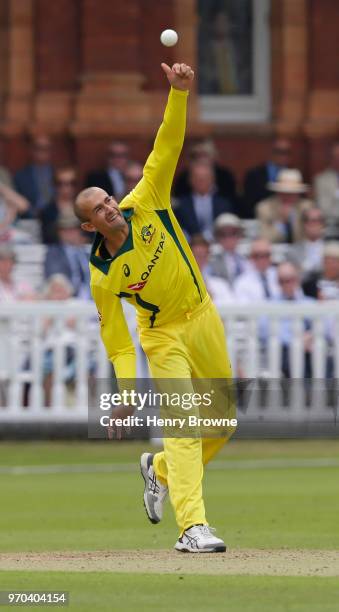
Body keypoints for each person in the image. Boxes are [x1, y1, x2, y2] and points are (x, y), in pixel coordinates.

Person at [74, 62, 235, 553]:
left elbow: (167, 145)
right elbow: (115, 337)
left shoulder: (146, 199)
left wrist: (180, 94)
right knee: (185, 426)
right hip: (162, 335)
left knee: (222, 424)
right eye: (99, 210)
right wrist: (126, 394)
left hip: (202, 316)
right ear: (89, 227)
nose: (110, 208)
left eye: (108, 199)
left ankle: (158, 468)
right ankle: (192, 529)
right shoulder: (103, 272)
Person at [175, 161, 234, 240]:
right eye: (197, 177)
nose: (201, 180)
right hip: (190, 245)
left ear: (212, 179)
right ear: (190, 180)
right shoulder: (180, 205)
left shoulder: (224, 204)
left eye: (205, 177)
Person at [173, 138, 236, 205]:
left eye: (204, 154)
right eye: (195, 155)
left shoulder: (225, 177)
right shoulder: (182, 178)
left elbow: (232, 202)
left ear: (214, 156)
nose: (200, 158)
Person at [256, 169, 312, 243]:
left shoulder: (307, 207)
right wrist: (281, 222)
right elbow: (266, 239)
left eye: (293, 193)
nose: (288, 197)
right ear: (278, 192)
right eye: (284, 193)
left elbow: (308, 238)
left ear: (298, 194)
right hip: (274, 250)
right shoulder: (264, 207)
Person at [242, 137, 292, 218]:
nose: (283, 156)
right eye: (279, 152)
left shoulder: (294, 175)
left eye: (286, 152)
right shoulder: (254, 175)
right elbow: (248, 204)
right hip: (261, 220)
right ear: (271, 152)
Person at [44, 214, 90, 299]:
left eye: (73, 229)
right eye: (65, 230)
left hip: (94, 298)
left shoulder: (88, 254)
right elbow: (55, 278)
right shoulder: (53, 253)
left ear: (79, 231)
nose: (70, 233)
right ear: (59, 233)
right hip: (67, 299)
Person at [189, 234, 235, 308]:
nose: (200, 259)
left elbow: (231, 307)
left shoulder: (220, 284)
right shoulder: (182, 284)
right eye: (197, 255)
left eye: (204, 255)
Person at [14, 135, 55, 217]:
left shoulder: (59, 173)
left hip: (55, 218)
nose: (42, 152)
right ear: (31, 150)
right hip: (30, 219)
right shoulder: (21, 176)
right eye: (39, 148)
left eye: (46, 148)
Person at [39, 167, 78, 244]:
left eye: (72, 183)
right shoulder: (47, 211)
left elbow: (92, 235)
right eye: (61, 183)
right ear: (54, 185)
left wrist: (83, 239)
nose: (67, 188)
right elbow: (46, 238)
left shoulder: (86, 208)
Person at [209, 213, 249, 286]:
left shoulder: (250, 257)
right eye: (223, 234)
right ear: (217, 237)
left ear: (240, 235)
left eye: (233, 233)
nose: (228, 238)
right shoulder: (210, 260)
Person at [234, 238, 279, 303]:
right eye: (257, 255)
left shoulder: (281, 276)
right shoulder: (242, 282)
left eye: (266, 255)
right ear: (251, 257)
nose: (262, 259)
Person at [291, 208, 325, 279]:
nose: (315, 224)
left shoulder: (332, 248)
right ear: (304, 224)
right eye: (312, 221)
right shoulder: (294, 251)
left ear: (322, 224)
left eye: (319, 221)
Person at [313, 141, 339, 221]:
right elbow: (324, 209)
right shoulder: (321, 180)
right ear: (331, 158)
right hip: (332, 226)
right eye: (337, 157)